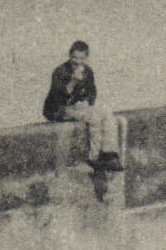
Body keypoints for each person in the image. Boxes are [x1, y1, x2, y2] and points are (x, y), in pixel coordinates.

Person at [41, 40, 122, 171]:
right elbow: (58, 97)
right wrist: (73, 81)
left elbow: (92, 92)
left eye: (81, 58)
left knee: (107, 113)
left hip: (78, 107)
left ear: (86, 58)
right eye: (74, 58)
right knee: (94, 118)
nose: (77, 62)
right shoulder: (60, 71)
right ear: (69, 55)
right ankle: (94, 157)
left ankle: (110, 153)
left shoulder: (88, 71)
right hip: (58, 109)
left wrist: (86, 102)